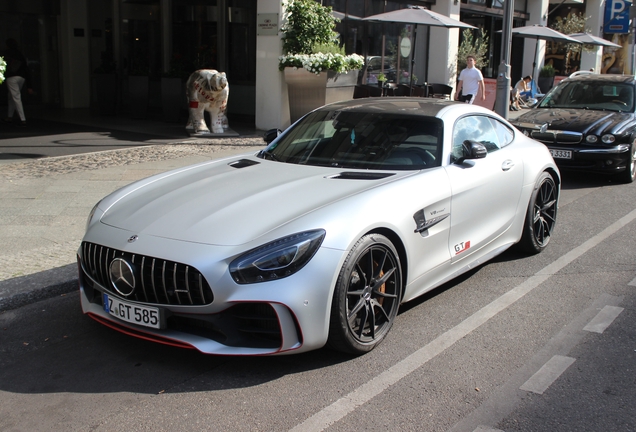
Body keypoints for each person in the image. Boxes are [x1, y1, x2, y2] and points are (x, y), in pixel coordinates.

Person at [3, 38, 33, 127]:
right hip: (21, 77)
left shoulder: (6, 54)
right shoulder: (20, 54)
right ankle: (10, 116)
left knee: (15, 97)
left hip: (11, 77)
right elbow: (26, 68)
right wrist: (29, 85)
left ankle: (22, 118)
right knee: (12, 96)